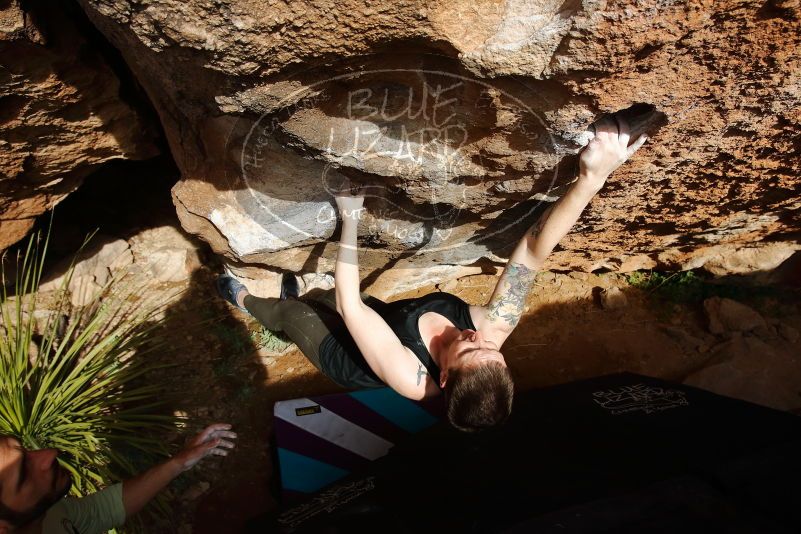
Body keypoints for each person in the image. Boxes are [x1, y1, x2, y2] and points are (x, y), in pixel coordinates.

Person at [217, 116, 647, 432]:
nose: (480, 338)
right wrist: (592, 179)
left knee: (295, 318)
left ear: (443, 377)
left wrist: (349, 218)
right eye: (493, 350)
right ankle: (309, 294)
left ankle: (244, 301)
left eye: (469, 349)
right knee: (325, 298)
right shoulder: (492, 329)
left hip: (350, 355)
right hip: (378, 319)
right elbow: (532, 254)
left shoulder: (412, 378)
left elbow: (352, 307)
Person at [0, 424, 236, 533]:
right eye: (24, 474)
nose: (49, 454)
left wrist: (179, 463)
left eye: (25, 453)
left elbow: (101, 511)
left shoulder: (44, 517)